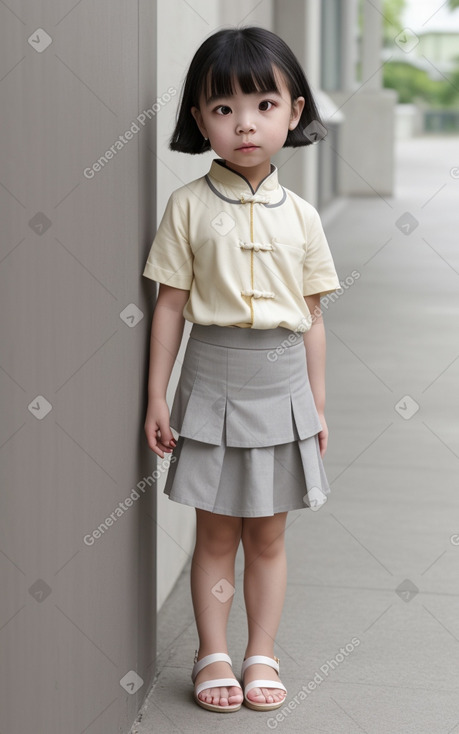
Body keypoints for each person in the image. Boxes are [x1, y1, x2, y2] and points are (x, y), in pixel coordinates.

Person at [143, 26, 340, 714]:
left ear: (294, 111)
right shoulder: (187, 207)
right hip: (212, 377)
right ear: (199, 120)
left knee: (269, 530)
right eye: (222, 108)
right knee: (217, 529)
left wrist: (315, 404)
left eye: (262, 104)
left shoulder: (305, 218)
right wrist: (156, 399)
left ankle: (261, 651)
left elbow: (312, 316)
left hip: (283, 382)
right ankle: (212, 652)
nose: (244, 124)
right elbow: (169, 306)